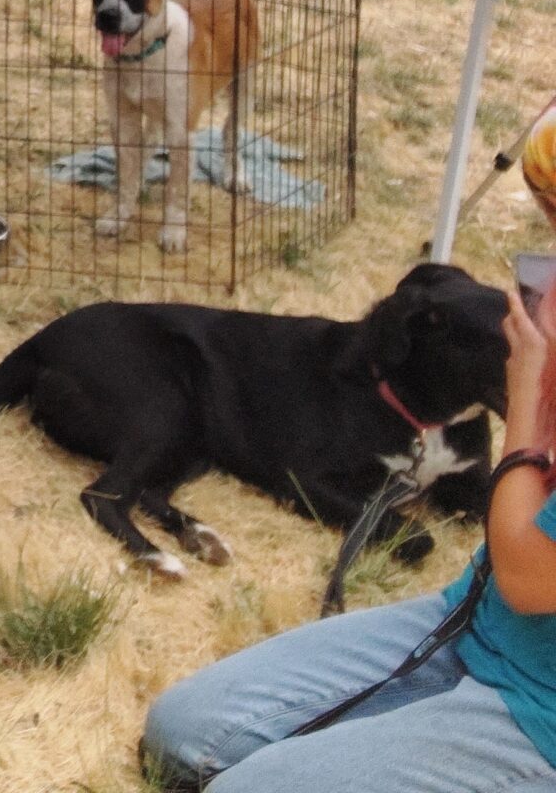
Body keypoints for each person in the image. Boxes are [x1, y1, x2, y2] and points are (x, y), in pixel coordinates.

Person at [142, 286, 556, 790]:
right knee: (182, 733)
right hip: (478, 627)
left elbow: (527, 576)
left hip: (543, 714)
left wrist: (528, 406)